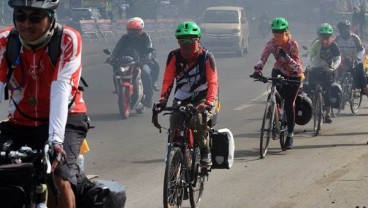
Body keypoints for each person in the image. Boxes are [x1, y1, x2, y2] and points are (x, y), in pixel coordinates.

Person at [0, 0, 89, 207]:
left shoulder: (67, 39)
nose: (26, 24)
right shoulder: (5, 41)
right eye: (20, 16)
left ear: (50, 19)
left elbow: (61, 88)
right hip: (21, 121)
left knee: (57, 176)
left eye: (35, 17)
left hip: (67, 118)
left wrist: (56, 141)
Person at [154, 21, 219, 166]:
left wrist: (208, 103)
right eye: (182, 40)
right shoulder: (174, 56)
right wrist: (163, 101)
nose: (186, 43)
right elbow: (168, 80)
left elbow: (213, 82)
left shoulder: (207, 57)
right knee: (175, 126)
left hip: (203, 96)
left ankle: (204, 151)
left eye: (190, 39)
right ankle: (175, 159)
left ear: (198, 39)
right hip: (182, 97)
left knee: (198, 122)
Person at [252, 17, 302, 149]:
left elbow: (297, 67)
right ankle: (275, 113)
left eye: (280, 31)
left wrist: (286, 56)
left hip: (294, 75)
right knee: (272, 94)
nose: (277, 34)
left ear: (286, 31)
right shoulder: (271, 44)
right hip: (279, 71)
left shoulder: (292, 44)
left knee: (290, 104)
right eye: (275, 31)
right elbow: (263, 57)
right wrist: (258, 70)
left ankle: (290, 134)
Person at [109, 17, 160, 107]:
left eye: (135, 30)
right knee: (116, 69)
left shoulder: (146, 37)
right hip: (127, 61)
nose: (132, 33)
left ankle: (148, 97)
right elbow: (117, 48)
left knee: (145, 72)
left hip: (141, 61)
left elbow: (149, 47)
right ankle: (117, 88)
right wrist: (112, 57)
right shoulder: (124, 38)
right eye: (130, 30)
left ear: (140, 30)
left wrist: (147, 58)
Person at [307, 23, 341, 123]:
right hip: (315, 68)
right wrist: (310, 66)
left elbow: (338, 58)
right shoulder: (316, 44)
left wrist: (333, 68)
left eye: (327, 36)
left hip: (328, 71)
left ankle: (327, 114)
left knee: (327, 92)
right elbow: (310, 55)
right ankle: (312, 104)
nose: (325, 39)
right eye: (323, 36)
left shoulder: (334, 45)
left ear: (331, 36)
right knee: (310, 87)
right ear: (319, 36)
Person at [335, 19, 368, 97]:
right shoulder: (337, 38)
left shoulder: (354, 38)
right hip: (343, 60)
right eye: (341, 29)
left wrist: (358, 59)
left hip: (355, 60)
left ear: (348, 29)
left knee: (362, 82)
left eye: (345, 28)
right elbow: (334, 50)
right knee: (335, 76)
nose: (343, 31)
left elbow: (361, 50)